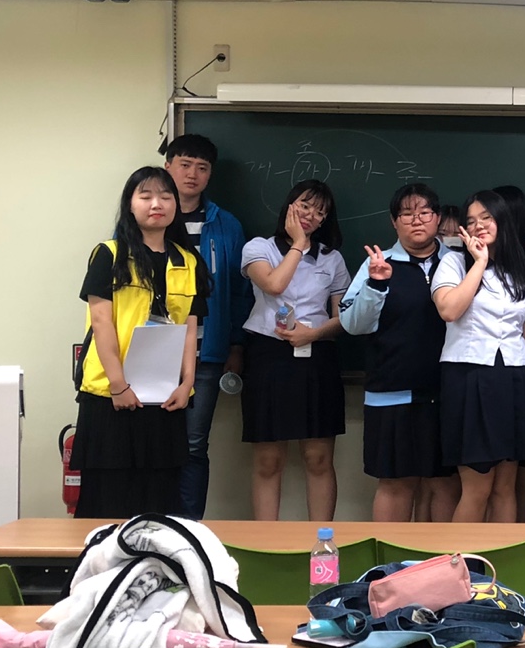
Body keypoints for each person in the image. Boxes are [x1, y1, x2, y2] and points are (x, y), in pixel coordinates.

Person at [72, 167, 208, 518]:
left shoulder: (188, 261)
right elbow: (101, 322)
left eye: (165, 196)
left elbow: (190, 326)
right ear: (130, 205)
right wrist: (119, 386)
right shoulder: (109, 254)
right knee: (107, 501)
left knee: (160, 502)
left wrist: (187, 383)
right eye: (145, 196)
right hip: (111, 395)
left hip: (164, 397)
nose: (156, 204)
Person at [340, 183, 459, 524]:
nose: (416, 220)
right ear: (394, 222)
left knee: (445, 483)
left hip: (447, 392)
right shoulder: (378, 263)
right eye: (406, 214)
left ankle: (442, 558)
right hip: (391, 391)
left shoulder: (458, 262)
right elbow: (352, 324)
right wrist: (377, 285)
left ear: (438, 218)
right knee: (395, 483)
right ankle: (389, 558)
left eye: (424, 212)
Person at [241, 180, 350, 522]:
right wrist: (299, 245)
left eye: (320, 212)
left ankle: (322, 545)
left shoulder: (332, 259)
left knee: (318, 458)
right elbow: (274, 284)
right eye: (305, 205)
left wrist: (314, 334)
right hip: (268, 356)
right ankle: (266, 543)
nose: (311, 215)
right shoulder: (258, 247)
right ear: (290, 205)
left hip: (317, 356)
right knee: (268, 459)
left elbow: (344, 318)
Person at [432, 190, 525, 522]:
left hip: (514, 376)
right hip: (469, 375)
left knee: (505, 487)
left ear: (501, 220)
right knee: (477, 487)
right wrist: (479, 262)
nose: (478, 225)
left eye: (486, 218)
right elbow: (449, 310)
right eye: (471, 221)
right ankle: (461, 558)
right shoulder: (454, 262)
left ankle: (502, 557)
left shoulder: (518, 268)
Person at [161, 133, 253, 521]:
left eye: (202, 167)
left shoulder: (226, 224)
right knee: (149, 445)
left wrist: (236, 345)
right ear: (168, 167)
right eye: (184, 165)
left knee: (194, 446)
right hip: (154, 353)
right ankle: (150, 525)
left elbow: (240, 292)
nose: (192, 174)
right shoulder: (146, 218)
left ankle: (188, 528)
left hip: (206, 354)